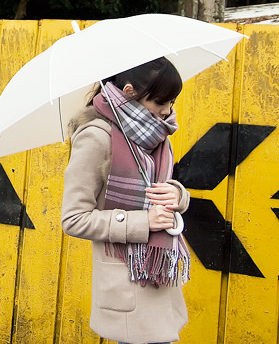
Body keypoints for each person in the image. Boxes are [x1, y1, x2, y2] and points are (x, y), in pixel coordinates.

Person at [61, 57, 191, 344]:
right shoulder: (96, 137)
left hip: (158, 275)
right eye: (161, 102)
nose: (168, 111)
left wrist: (178, 195)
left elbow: (158, 190)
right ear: (130, 92)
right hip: (127, 281)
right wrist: (143, 221)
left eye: (172, 102)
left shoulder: (155, 135)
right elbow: (73, 218)